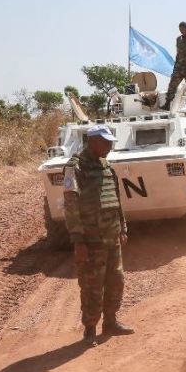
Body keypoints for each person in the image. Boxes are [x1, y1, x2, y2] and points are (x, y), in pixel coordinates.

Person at [63, 125, 135, 347]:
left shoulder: (106, 166)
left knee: (116, 282)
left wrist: (122, 227)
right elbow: (71, 206)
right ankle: (90, 329)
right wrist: (78, 241)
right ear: (92, 141)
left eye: (111, 142)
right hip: (91, 240)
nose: (110, 146)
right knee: (92, 285)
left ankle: (111, 322)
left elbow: (116, 198)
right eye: (106, 142)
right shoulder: (76, 167)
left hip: (112, 237)